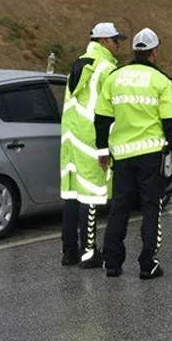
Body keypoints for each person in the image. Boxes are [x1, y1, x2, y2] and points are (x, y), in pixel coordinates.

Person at [95, 28, 172, 279]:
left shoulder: (115, 78)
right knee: (151, 209)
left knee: (119, 208)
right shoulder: (161, 82)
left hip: (122, 156)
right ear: (154, 52)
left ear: (135, 50)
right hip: (150, 157)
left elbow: (101, 119)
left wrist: (103, 152)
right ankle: (148, 265)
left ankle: (112, 263)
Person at [60, 22, 124, 268]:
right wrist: (104, 146)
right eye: (115, 40)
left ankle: (69, 252)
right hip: (91, 138)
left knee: (73, 195)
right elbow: (109, 108)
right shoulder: (105, 68)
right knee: (92, 195)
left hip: (70, 138)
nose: (119, 45)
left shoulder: (77, 64)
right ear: (103, 41)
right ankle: (88, 253)